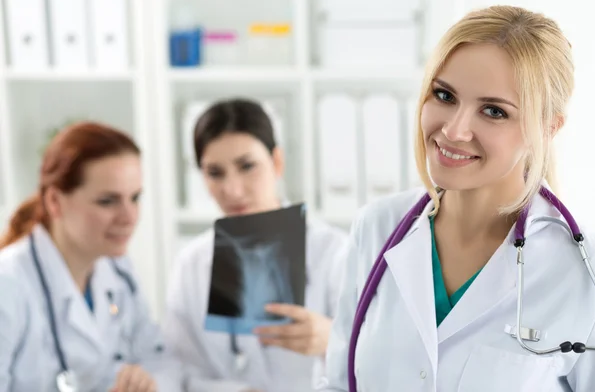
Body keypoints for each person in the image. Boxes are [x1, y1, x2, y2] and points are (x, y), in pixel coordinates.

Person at [319, 5, 595, 392]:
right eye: (444, 95)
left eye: (493, 111)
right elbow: (336, 383)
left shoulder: (586, 271)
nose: (453, 130)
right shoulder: (377, 226)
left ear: (548, 127)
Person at [163, 98, 349, 392]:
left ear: (277, 162)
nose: (232, 190)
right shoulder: (192, 263)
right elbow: (180, 371)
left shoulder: (335, 251)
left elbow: (380, 360)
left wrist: (333, 340)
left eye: (247, 166)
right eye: (215, 173)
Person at [0, 122, 182, 392]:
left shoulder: (118, 270)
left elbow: (161, 360)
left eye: (135, 198)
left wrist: (148, 382)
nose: (129, 217)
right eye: (107, 201)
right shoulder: (9, 284)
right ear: (55, 202)